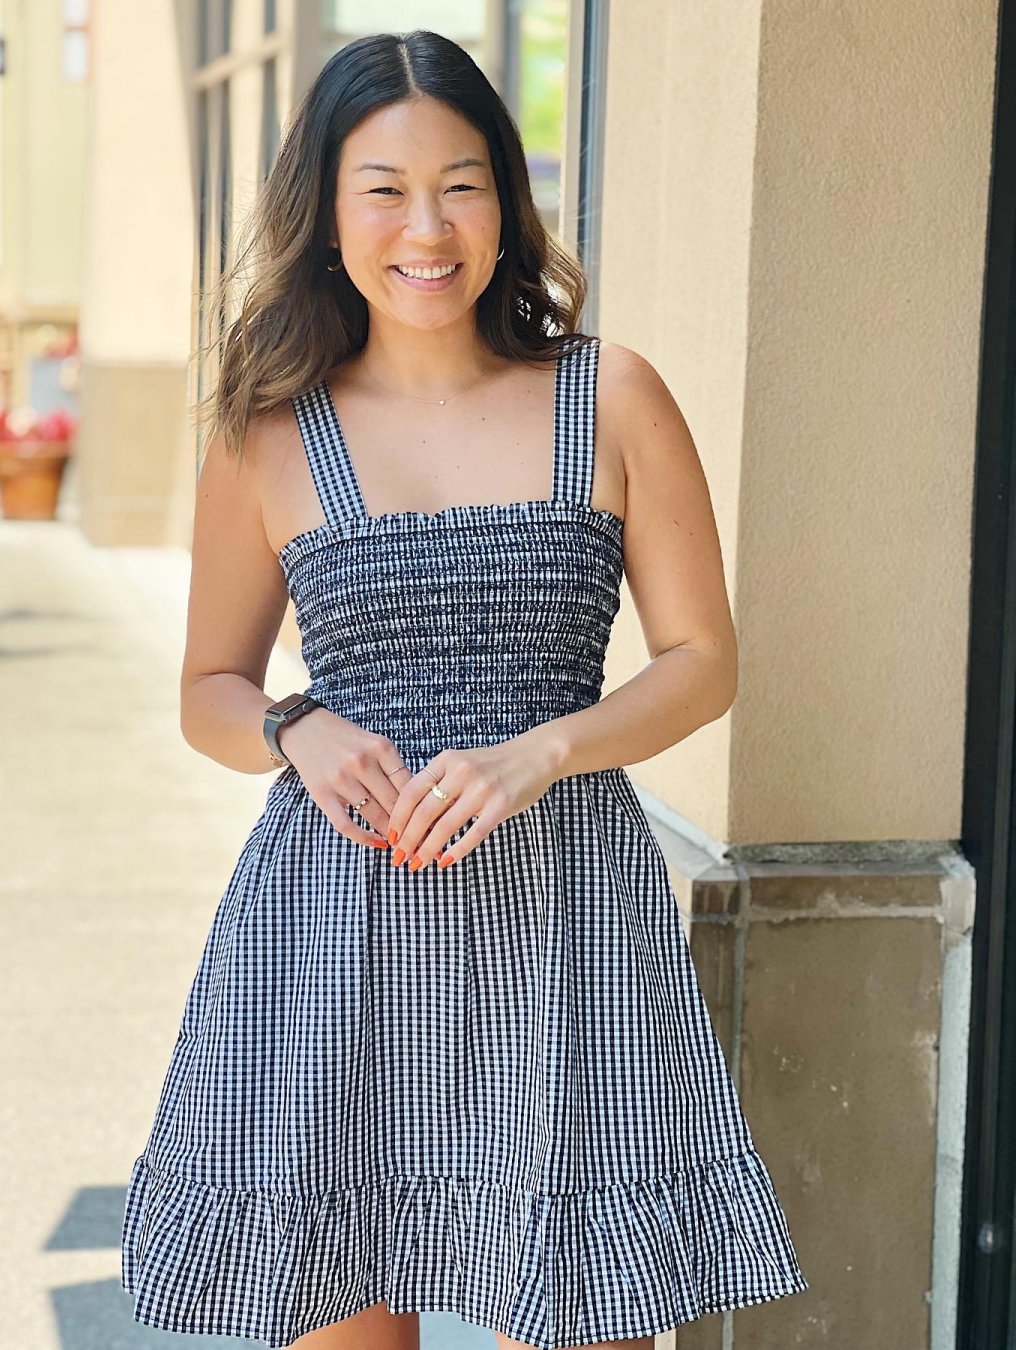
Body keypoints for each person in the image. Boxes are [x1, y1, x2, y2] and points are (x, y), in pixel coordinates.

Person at [120, 28, 808, 1350]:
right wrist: (295, 724)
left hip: (571, 920)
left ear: (507, 200)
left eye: (464, 181)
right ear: (325, 214)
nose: (427, 226)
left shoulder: (609, 397)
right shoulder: (269, 425)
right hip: (336, 932)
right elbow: (209, 685)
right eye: (383, 187)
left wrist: (543, 749)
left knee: (586, 1318)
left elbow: (703, 661)